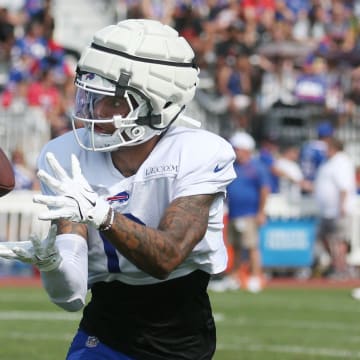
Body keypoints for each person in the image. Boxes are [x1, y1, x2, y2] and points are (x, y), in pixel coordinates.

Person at [0, 19, 236, 360]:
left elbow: (166, 258)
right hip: (105, 328)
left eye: (112, 100)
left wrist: (103, 214)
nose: (95, 110)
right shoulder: (65, 154)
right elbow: (71, 297)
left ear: (156, 104)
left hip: (182, 336)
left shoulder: (199, 152)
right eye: (90, 94)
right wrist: (53, 267)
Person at [210, 131, 270, 293]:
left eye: (238, 148)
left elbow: (265, 190)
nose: (235, 151)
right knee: (235, 246)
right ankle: (235, 277)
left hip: (249, 213)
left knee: (251, 247)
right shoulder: (233, 166)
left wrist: (261, 212)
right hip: (234, 212)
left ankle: (257, 277)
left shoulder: (257, 166)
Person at [314, 137, 356, 279]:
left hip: (338, 210)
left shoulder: (341, 162)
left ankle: (341, 268)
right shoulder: (329, 162)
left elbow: (344, 187)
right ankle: (336, 264)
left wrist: (342, 206)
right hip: (327, 210)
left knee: (339, 240)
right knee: (324, 238)